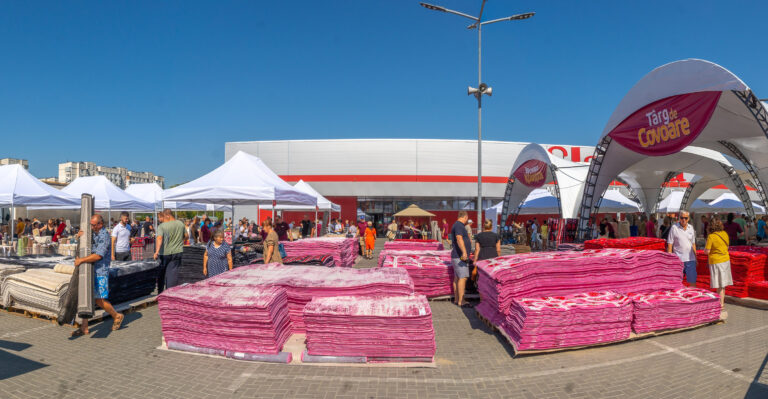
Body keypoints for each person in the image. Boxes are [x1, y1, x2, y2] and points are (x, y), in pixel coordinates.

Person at [71, 215, 124, 337]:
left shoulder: (104, 236)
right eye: (91, 225)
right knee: (86, 298)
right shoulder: (94, 233)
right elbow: (87, 246)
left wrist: (81, 260)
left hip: (100, 271)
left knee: (99, 299)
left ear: (100, 224)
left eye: (94, 225)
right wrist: (80, 237)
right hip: (90, 269)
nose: (92, 227)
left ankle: (116, 315)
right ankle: (84, 327)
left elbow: (98, 255)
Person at [153, 209, 187, 294]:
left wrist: (156, 251)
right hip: (177, 251)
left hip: (165, 253)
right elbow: (186, 236)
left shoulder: (162, 226)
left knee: (162, 273)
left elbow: (159, 238)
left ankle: (161, 292)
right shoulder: (180, 223)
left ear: (167, 215)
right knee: (173, 274)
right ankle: (170, 293)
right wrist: (179, 241)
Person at [704, 218, 732, 307]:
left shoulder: (711, 236)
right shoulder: (725, 234)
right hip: (726, 261)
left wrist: (705, 250)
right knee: (722, 285)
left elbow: (707, 251)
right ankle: (721, 303)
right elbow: (727, 247)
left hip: (716, 261)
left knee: (719, 285)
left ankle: (720, 305)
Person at [666, 211, 697, 288]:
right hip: (678, 259)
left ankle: (692, 298)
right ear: (679, 218)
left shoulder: (691, 228)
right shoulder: (674, 228)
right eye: (682, 218)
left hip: (690, 259)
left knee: (692, 281)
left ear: (688, 219)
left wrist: (696, 258)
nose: (683, 220)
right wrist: (670, 259)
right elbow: (670, 244)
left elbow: (693, 244)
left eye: (685, 218)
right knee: (677, 281)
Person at [451, 211, 472, 308]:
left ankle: (456, 299)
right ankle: (461, 301)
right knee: (462, 278)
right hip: (460, 257)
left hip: (456, 256)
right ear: (465, 217)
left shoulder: (456, 225)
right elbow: (459, 238)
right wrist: (464, 252)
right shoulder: (459, 225)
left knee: (458, 278)